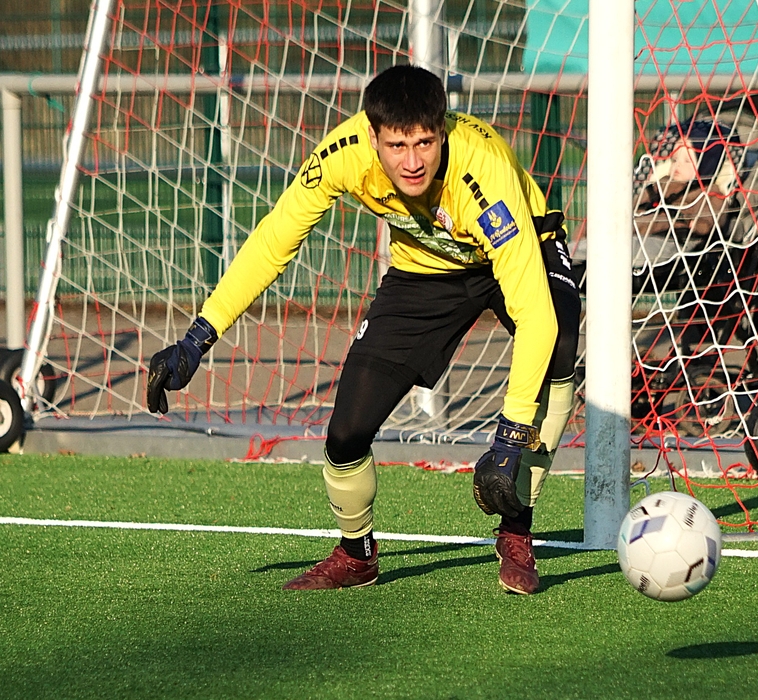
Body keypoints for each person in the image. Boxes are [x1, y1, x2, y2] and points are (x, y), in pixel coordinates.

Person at [145, 65, 581, 595]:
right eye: (397, 145)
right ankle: (357, 556)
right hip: (425, 268)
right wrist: (198, 337)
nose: (412, 161)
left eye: (425, 143)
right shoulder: (343, 153)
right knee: (347, 432)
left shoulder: (482, 175)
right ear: (372, 137)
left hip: (523, 249)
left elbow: (534, 311)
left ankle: (516, 529)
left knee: (557, 343)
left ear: (442, 131)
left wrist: (510, 435)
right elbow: (274, 240)